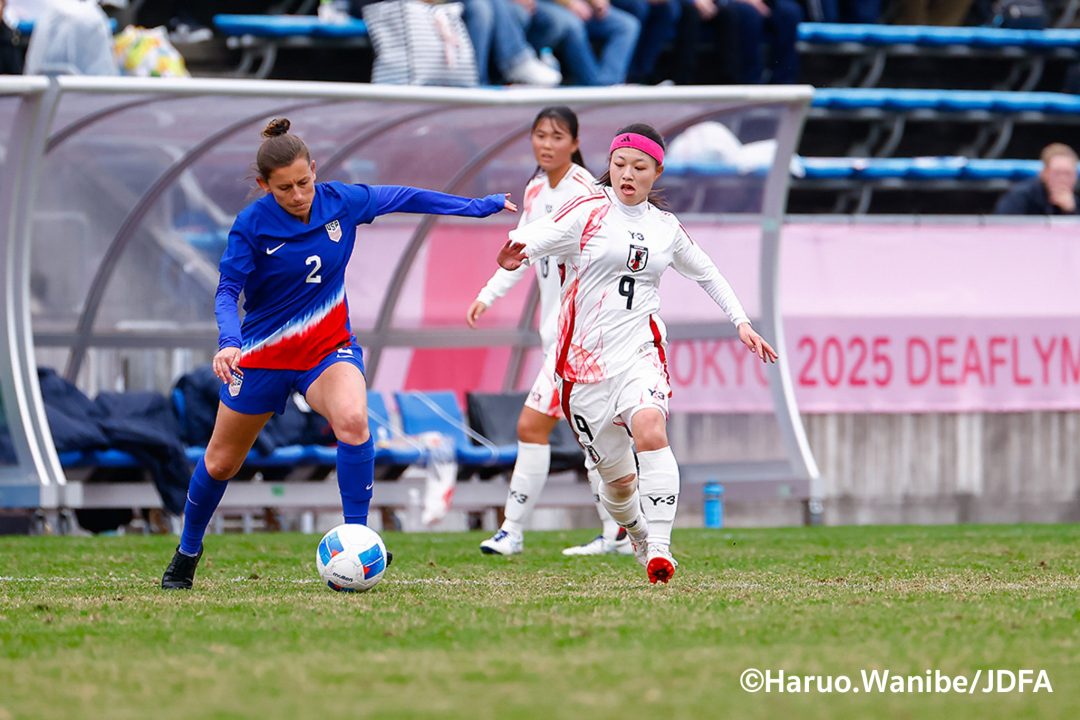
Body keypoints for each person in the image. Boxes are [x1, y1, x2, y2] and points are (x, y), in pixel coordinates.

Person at [161, 118, 516, 590]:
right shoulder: (252, 225)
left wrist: (479, 207)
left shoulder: (341, 202)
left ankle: (357, 536)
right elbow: (228, 290)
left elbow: (406, 197)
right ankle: (187, 551)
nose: (298, 194)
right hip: (264, 355)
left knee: (353, 420)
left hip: (328, 348)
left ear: (314, 169)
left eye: (304, 182)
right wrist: (229, 341)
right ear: (265, 186)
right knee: (221, 462)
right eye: (284, 188)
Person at [496, 123, 777, 583]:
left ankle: (660, 550)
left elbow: (707, 272)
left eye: (638, 167)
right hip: (582, 370)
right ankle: (637, 533)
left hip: (638, 353)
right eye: (619, 164)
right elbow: (540, 233)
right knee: (618, 483)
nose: (627, 174)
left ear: (656, 172)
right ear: (609, 165)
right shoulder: (587, 211)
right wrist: (518, 252)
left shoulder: (664, 228)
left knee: (650, 426)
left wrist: (741, 321)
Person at [469, 106, 631, 557]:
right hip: (557, 341)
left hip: (585, 340)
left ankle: (515, 531)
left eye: (557, 136)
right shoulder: (536, 189)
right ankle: (613, 531)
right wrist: (488, 293)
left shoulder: (588, 191)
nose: (546, 143)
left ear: (575, 144)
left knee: (549, 429)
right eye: (540, 135)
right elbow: (520, 249)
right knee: (582, 435)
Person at [994, 143, 1079, 216]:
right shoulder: (1019, 196)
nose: (1062, 179)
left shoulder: (1075, 202)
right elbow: (1004, 228)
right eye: (1057, 173)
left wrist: (1071, 211)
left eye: (1068, 173)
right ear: (1044, 173)